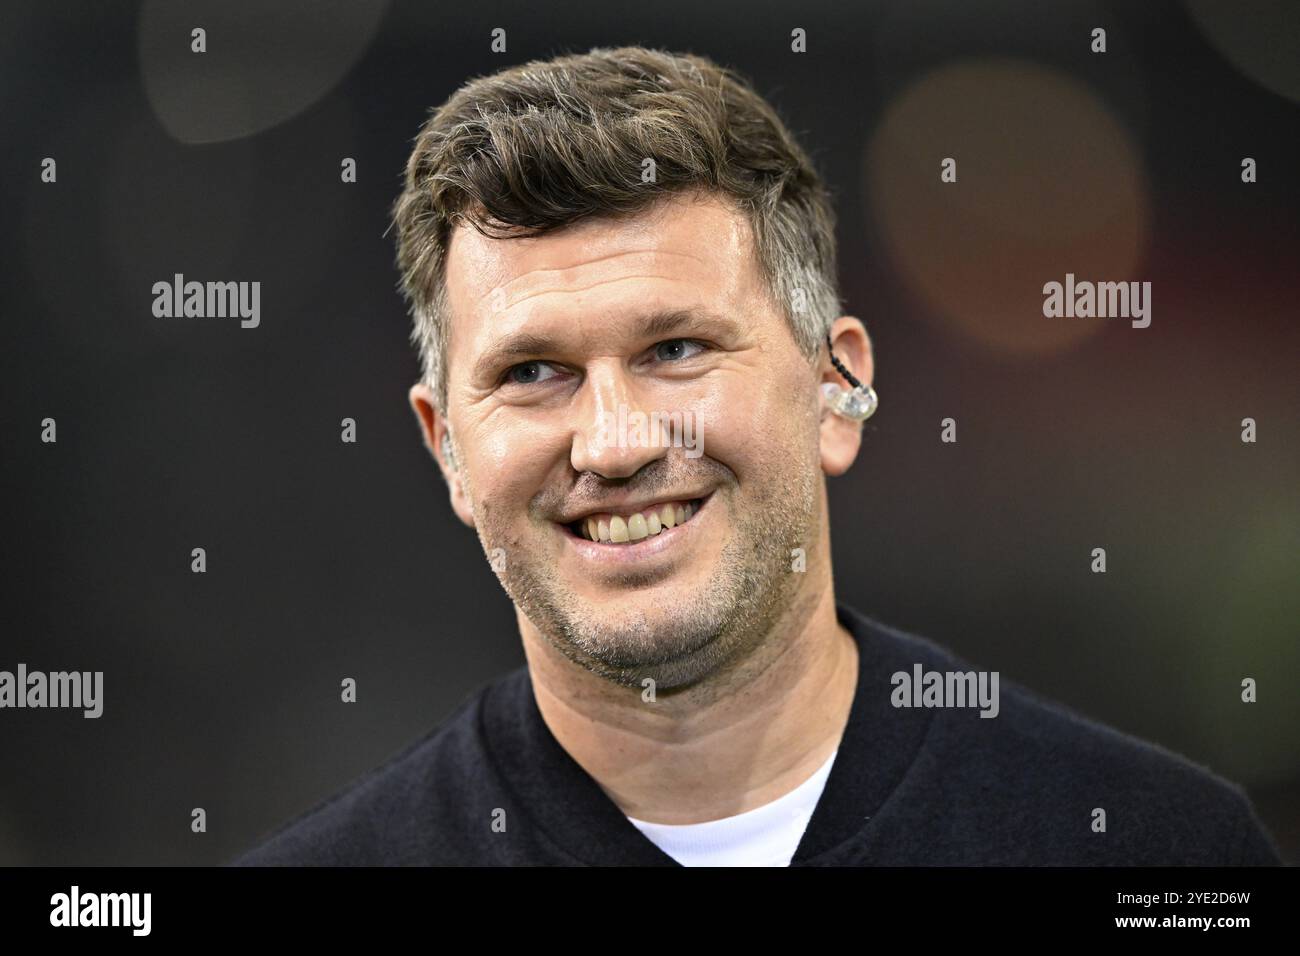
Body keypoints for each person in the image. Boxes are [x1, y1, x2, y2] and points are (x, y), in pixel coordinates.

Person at [232, 46, 1281, 866]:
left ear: (836, 386)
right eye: (533, 372)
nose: (614, 442)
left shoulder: (1153, 851)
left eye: (676, 349)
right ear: (448, 448)